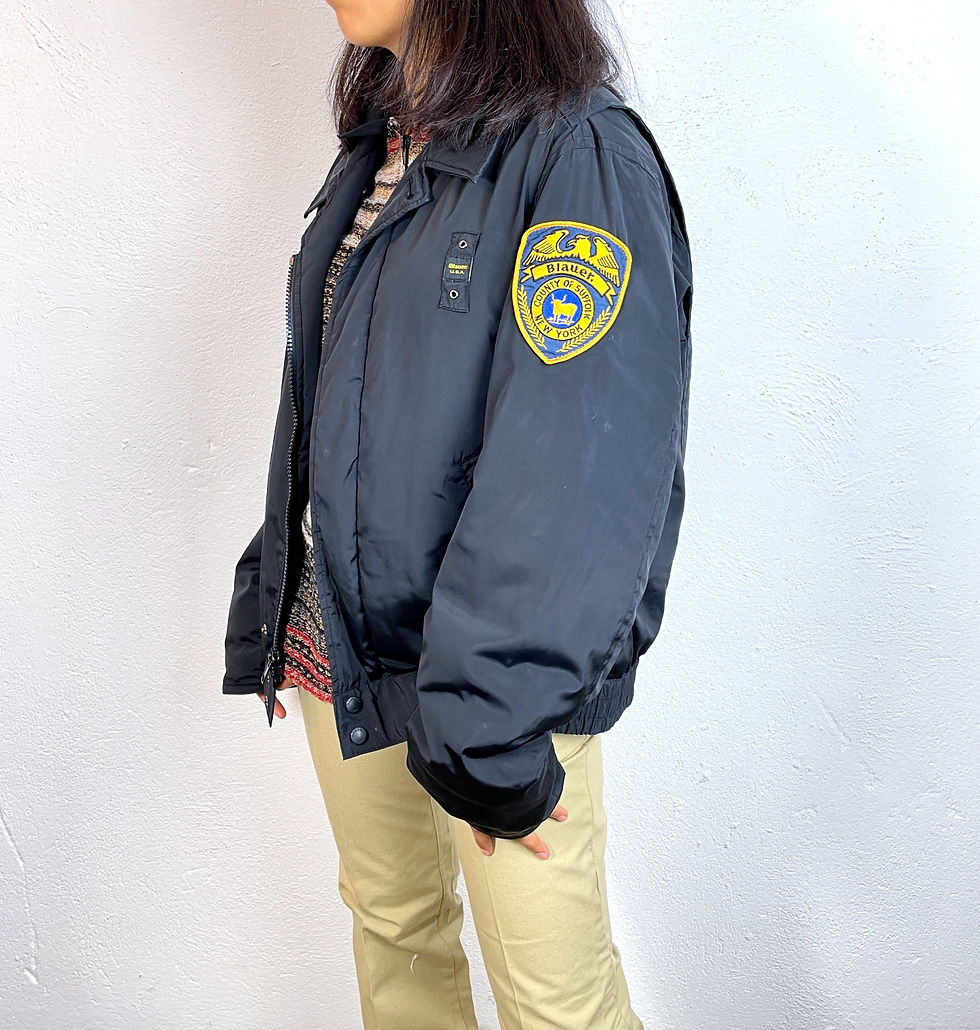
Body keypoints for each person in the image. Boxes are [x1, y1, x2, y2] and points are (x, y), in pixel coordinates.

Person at [221, 0, 693, 1026]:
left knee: (554, 1002)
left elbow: (574, 469)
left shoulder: (575, 153)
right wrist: (277, 586)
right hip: (343, 647)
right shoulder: (381, 147)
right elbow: (337, 402)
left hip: (495, 695)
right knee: (396, 940)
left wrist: (488, 727)